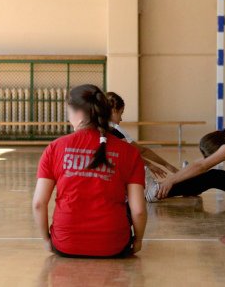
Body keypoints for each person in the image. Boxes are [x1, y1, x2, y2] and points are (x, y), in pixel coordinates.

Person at [32, 84, 146, 258]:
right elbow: (138, 209)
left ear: (76, 112)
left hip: (65, 244)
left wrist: (48, 240)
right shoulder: (129, 152)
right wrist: (138, 240)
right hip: (113, 245)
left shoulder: (55, 148)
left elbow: (39, 203)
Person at [146, 124, 225, 202]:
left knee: (214, 176)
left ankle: (156, 191)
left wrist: (170, 180)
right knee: (208, 176)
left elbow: (203, 165)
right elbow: (200, 162)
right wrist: (183, 177)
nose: (221, 159)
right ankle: (162, 188)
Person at [106, 91, 179, 178]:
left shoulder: (92, 126)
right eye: (121, 113)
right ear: (114, 110)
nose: (121, 119)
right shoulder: (115, 130)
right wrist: (166, 165)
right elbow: (141, 151)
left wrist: (149, 164)